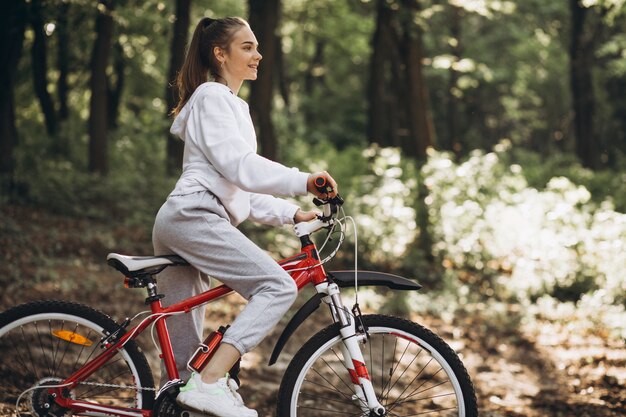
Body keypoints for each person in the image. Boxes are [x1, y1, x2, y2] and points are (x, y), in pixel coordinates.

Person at [152, 16, 338, 417]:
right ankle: (212, 381)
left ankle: (193, 388)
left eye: (256, 46)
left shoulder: (229, 104)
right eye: (247, 47)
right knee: (277, 286)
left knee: (183, 370)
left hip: (191, 218)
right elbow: (242, 168)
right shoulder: (211, 97)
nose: (258, 54)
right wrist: (304, 179)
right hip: (193, 216)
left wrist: (293, 214)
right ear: (220, 54)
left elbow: (241, 191)